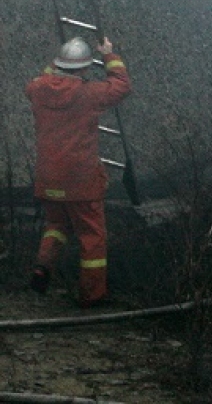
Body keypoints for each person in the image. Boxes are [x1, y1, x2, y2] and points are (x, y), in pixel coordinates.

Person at [25, 36, 132, 307]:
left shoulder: (36, 89)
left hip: (48, 178)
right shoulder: (88, 94)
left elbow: (44, 77)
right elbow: (122, 85)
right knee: (91, 236)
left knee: (56, 225)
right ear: (84, 68)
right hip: (80, 181)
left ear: (59, 64)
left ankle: (42, 268)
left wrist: (58, 63)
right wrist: (109, 55)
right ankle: (92, 296)